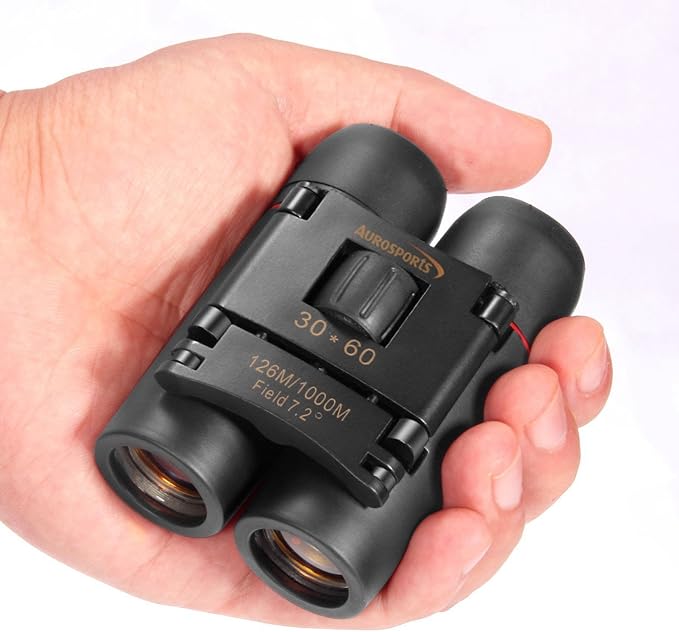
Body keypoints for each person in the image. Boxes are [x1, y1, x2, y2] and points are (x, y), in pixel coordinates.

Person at [0, 35, 611, 627]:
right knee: (527, 248)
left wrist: (23, 159)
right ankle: (315, 510)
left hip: (237, 354)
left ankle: (256, 469)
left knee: (377, 159)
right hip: (313, 401)